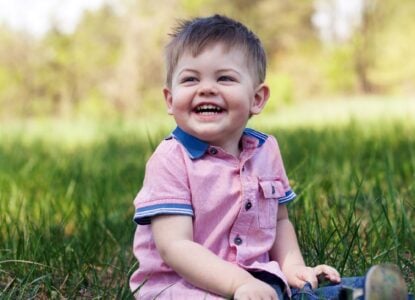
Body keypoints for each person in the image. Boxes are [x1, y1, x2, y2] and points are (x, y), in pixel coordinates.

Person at [130, 14, 411, 299]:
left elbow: (279, 222)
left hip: (257, 278)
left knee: (300, 290)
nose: (206, 88)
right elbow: (175, 246)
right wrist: (238, 284)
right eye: (190, 79)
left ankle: (357, 292)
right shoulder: (170, 160)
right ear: (170, 99)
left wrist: (294, 267)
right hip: (184, 286)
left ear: (257, 99)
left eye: (225, 78)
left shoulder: (265, 151)